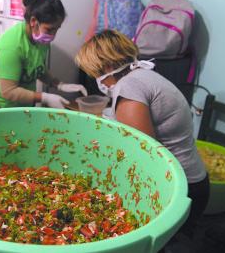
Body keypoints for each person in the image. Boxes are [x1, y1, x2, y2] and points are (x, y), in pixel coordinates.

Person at [75, 29, 209, 238]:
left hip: (180, 188)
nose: (96, 79)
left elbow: (143, 154)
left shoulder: (129, 86)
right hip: (193, 179)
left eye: (95, 73)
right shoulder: (144, 75)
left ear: (108, 66)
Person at [0, 0, 87, 109]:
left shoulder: (40, 40)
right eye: (49, 29)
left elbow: (37, 69)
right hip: (0, 107)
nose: (53, 36)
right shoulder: (11, 47)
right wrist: (45, 97)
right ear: (33, 21)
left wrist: (58, 84)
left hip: (24, 104)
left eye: (57, 29)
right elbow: (8, 91)